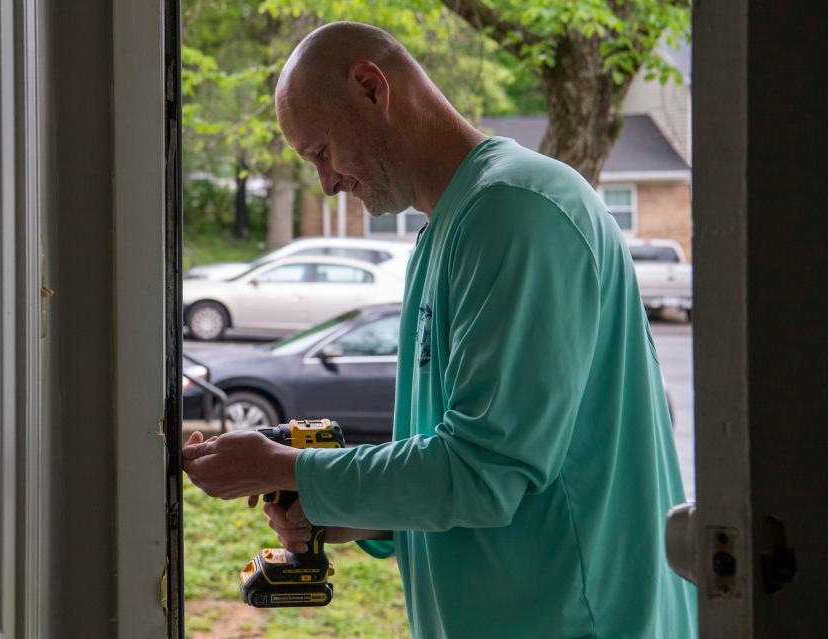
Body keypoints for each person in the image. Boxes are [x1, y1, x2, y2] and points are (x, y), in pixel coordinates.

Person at [183, 21, 697, 639]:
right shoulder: (450, 229)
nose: (327, 181)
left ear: (372, 88)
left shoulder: (516, 211)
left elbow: (485, 475)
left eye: (321, 151)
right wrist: (343, 514)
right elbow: (464, 477)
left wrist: (286, 468)